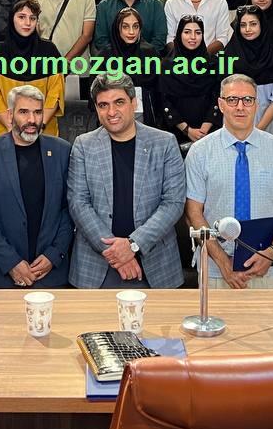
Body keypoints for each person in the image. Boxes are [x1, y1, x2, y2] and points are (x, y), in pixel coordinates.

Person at [185, 74, 273, 289]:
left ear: (256, 104)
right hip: (215, 270)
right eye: (232, 100)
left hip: (266, 267)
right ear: (221, 104)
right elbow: (193, 212)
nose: (240, 107)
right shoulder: (200, 151)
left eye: (247, 100)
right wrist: (224, 263)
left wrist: (272, 252)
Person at [68, 75, 186, 289]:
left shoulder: (165, 143)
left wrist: (132, 245)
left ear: (134, 103)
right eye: (103, 105)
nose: (111, 112)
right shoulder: (83, 145)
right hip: (97, 266)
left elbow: (173, 203)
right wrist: (116, 254)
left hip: (155, 266)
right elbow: (78, 203)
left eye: (119, 102)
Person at [0, 83, 73, 288]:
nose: (32, 120)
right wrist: (11, 262)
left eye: (37, 112)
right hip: (3, 276)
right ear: (10, 115)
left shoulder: (62, 151)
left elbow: (69, 210)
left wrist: (53, 255)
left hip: (51, 274)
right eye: (24, 112)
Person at [0, 0, 65, 140]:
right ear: (11, 19)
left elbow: (55, 96)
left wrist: (37, 126)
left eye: (32, 18)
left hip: (42, 132)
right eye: (21, 17)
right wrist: (13, 128)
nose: (27, 23)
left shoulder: (49, 51)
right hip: (4, 132)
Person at [223, 6, 273, 137]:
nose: (247, 29)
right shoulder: (227, 56)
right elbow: (222, 94)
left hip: (267, 127)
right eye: (243, 25)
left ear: (261, 25)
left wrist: (257, 130)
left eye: (253, 24)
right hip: (234, 127)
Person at [158, 15, 222, 149]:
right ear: (179, 34)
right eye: (187, 32)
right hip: (176, 133)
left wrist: (205, 128)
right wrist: (187, 130)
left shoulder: (213, 63)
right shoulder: (167, 65)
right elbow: (164, 100)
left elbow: (218, 97)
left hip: (209, 133)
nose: (193, 37)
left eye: (198, 33)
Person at [98, 7, 163, 127]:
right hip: (112, 118)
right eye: (125, 27)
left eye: (136, 26)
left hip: (147, 118)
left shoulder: (150, 53)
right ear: (117, 28)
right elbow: (96, 93)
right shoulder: (105, 55)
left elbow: (160, 90)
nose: (131, 32)